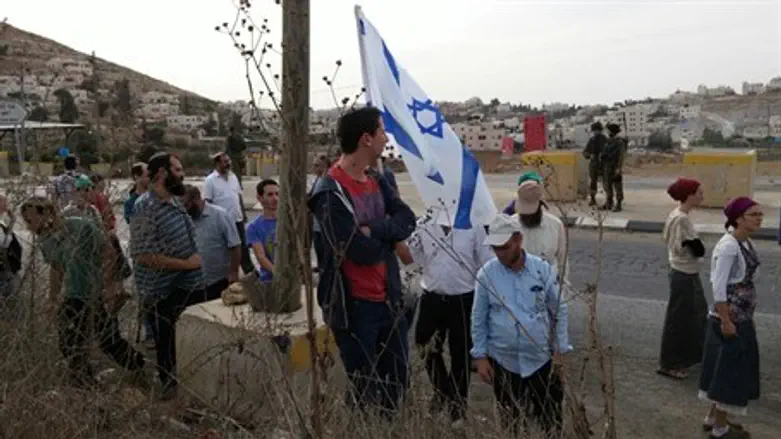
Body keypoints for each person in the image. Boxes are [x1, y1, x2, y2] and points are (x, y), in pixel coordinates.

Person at [308, 106, 416, 415]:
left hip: (389, 299)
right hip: (355, 308)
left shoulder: (377, 180)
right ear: (366, 139)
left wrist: (375, 230)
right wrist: (389, 237)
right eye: (382, 131)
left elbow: (407, 218)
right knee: (365, 390)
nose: (386, 138)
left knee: (397, 384)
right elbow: (360, 252)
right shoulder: (329, 193)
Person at [23, 197, 145, 387]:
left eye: (30, 220)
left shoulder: (80, 227)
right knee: (68, 340)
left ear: (46, 213)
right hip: (74, 294)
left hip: (95, 292)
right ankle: (84, 382)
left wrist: (107, 285)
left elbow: (110, 254)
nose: (28, 226)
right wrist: (53, 299)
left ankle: (138, 367)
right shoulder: (45, 240)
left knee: (107, 340)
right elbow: (56, 268)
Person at [471, 214, 571, 437]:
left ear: (518, 240)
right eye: (496, 248)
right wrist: (480, 356)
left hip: (541, 360)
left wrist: (560, 349)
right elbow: (478, 317)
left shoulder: (542, 270)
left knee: (550, 420)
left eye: (505, 247)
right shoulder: (487, 274)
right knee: (510, 422)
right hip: (505, 361)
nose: (500, 254)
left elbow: (559, 309)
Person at [395, 218, 493, 425]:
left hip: (463, 298)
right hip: (433, 296)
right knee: (424, 344)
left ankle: (458, 408)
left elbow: (487, 262)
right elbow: (412, 258)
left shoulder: (474, 225)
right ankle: (442, 391)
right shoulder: (425, 224)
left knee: (461, 354)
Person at [130, 152, 204, 399]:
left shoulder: (173, 201)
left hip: (185, 286)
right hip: (161, 291)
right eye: (178, 170)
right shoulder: (145, 207)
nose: (182, 175)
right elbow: (143, 255)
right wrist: (186, 264)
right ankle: (171, 393)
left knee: (186, 344)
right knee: (167, 346)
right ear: (162, 173)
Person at [698, 197, 763, 439]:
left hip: (740, 317)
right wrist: (726, 320)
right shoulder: (728, 247)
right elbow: (718, 286)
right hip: (731, 320)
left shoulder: (743, 243)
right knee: (729, 373)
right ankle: (720, 429)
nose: (759, 218)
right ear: (738, 219)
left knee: (720, 369)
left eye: (760, 214)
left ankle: (712, 416)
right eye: (753, 214)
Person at [657, 178, 707, 380]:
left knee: (697, 315)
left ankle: (692, 356)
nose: (702, 196)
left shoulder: (679, 215)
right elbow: (692, 248)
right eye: (699, 192)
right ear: (689, 195)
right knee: (679, 320)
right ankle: (669, 363)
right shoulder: (682, 219)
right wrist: (698, 244)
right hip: (683, 273)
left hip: (686, 272)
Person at [182, 184, 241, 302]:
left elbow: (235, 245)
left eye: (186, 205)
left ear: (197, 199)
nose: (184, 209)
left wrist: (233, 273)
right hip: (192, 283)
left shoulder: (220, 215)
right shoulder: (184, 218)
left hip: (217, 281)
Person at [204, 152, 255, 275]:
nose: (229, 164)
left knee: (243, 247)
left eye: (229, 161)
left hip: (237, 219)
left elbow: (238, 196)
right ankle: (227, 274)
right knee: (225, 249)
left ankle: (250, 272)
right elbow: (208, 202)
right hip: (223, 222)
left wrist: (243, 213)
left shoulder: (233, 177)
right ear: (217, 163)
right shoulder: (210, 180)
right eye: (225, 162)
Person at [512, 178, 569, 281]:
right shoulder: (511, 225)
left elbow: (563, 260)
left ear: (541, 205)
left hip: (548, 284)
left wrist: (561, 287)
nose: (528, 215)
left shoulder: (555, 225)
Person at [246, 179, 279, 282]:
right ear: (259, 198)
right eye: (270, 195)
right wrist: (279, 274)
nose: (275, 198)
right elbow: (261, 257)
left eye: (277, 194)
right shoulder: (253, 227)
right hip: (269, 280)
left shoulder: (289, 222)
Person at [0, 195, 21, 319]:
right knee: (12, 297)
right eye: (4, 202)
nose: (7, 205)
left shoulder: (2, 220)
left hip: (8, 266)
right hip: (5, 267)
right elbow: (3, 245)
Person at [600, 123, 627, 212]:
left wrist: (618, 168)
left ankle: (618, 204)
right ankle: (609, 202)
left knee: (617, 186)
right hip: (606, 166)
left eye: (608, 131)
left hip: (614, 166)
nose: (607, 132)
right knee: (607, 186)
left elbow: (621, 156)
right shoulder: (608, 141)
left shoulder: (619, 142)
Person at [583, 122, 606, 207]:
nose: (596, 132)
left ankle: (609, 200)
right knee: (593, 182)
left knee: (606, 183)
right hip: (594, 164)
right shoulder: (592, 140)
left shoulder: (605, 140)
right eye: (595, 131)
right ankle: (592, 198)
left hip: (604, 164)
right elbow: (585, 152)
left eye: (597, 130)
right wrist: (590, 155)